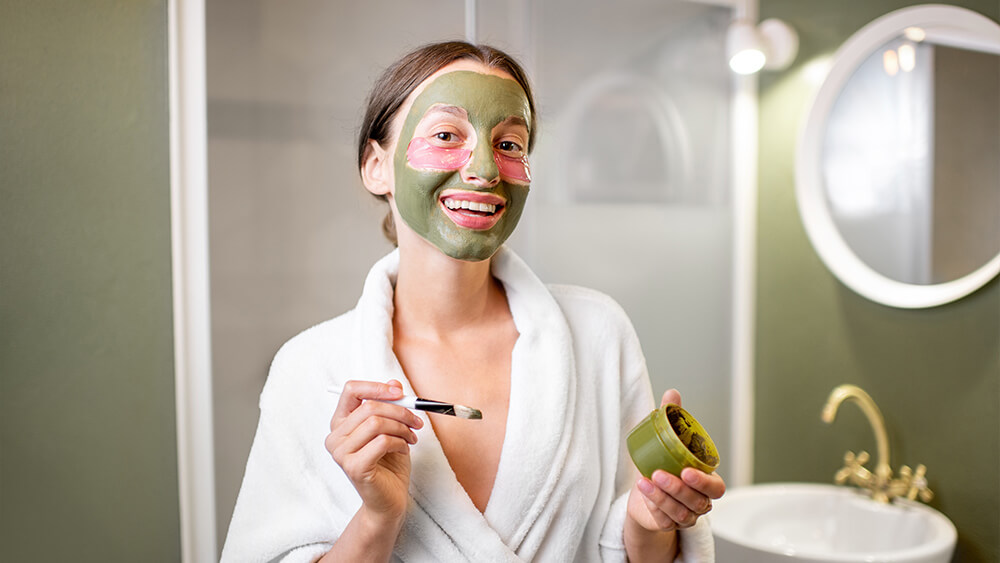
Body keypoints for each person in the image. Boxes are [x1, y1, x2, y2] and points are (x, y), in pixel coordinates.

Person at [221, 41, 725, 563]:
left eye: (510, 145)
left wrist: (650, 525)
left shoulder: (597, 334)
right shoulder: (309, 369)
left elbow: (629, 544)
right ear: (377, 167)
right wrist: (377, 518)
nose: (486, 168)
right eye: (445, 135)